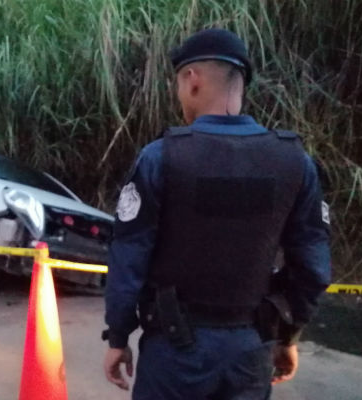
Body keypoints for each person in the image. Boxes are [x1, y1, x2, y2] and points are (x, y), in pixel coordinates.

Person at [102, 28, 331, 400]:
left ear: (192, 80)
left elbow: (129, 256)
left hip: (175, 352)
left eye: (178, 83)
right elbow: (313, 267)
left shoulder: (162, 157)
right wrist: (288, 334)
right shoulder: (295, 163)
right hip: (251, 347)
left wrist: (118, 335)